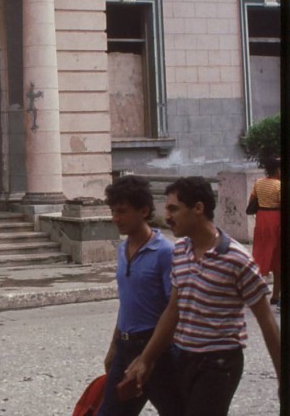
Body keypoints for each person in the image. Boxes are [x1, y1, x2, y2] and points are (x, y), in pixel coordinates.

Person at [122, 177, 281, 415]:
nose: (167, 217)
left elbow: (267, 321)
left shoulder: (236, 259)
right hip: (184, 359)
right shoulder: (180, 251)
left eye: (173, 209)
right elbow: (173, 310)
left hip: (219, 364)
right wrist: (146, 359)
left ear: (198, 208)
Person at [97, 176, 181, 416]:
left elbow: (173, 310)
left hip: (157, 352)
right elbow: (127, 302)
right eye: (113, 211)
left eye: (122, 211)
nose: (116, 218)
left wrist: (148, 357)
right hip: (125, 348)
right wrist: (114, 346)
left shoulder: (166, 252)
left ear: (144, 211)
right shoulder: (123, 249)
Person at [248, 156, 281, 308]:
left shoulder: (258, 183)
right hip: (276, 220)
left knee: (261, 254)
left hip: (261, 219)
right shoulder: (279, 185)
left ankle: (256, 294)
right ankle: (275, 295)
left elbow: (251, 202)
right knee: (278, 257)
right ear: (278, 170)